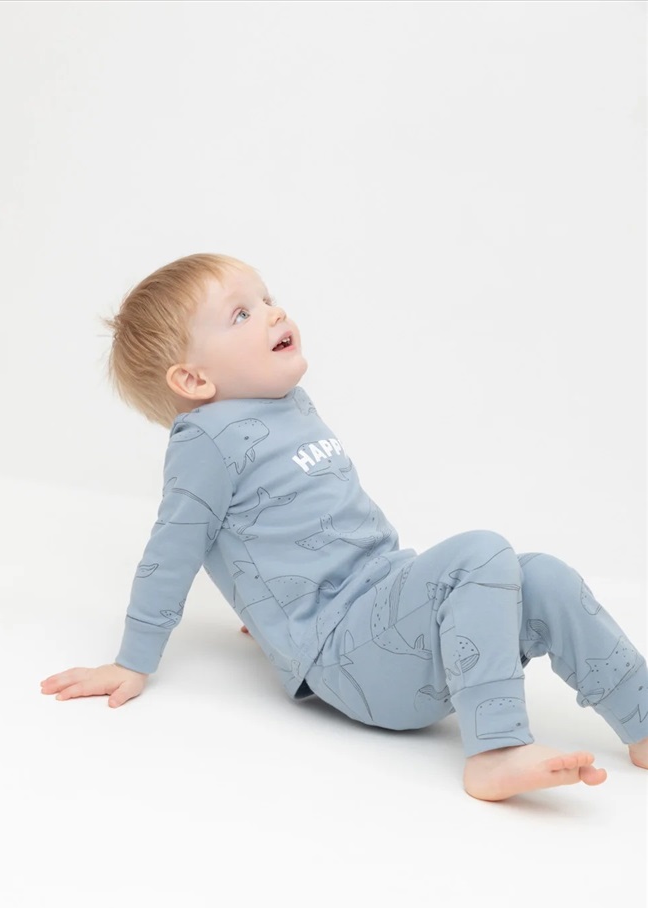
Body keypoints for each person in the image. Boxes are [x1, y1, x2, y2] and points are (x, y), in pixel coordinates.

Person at [39, 253, 648, 801]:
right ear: (194, 380)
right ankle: (495, 751)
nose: (274, 312)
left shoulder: (289, 404)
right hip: (349, 656)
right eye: (241, 314)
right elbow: (173, 550)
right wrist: (132, 661)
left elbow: (274, 527)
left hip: (389, 609)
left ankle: (642, 721)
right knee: (482, 551)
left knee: (543, 576)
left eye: (267, 298)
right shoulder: (204, 439)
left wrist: (269, 612)